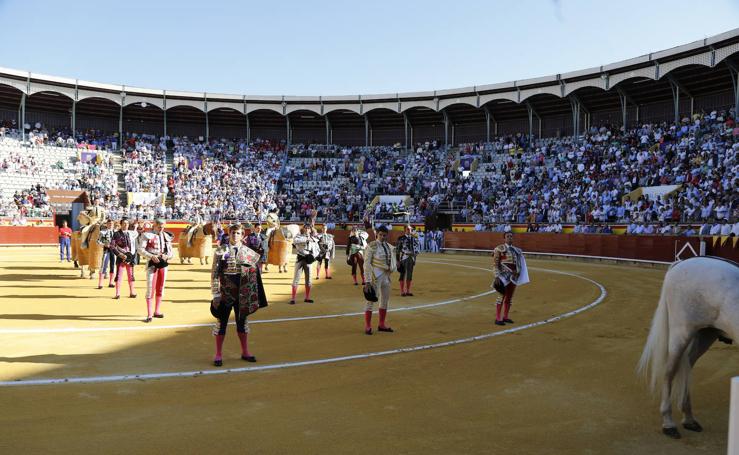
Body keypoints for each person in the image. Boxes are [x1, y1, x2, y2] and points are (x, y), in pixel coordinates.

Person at [210, 223, 268, 367]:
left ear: (242, 236)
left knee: (242, 323)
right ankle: (218, 354)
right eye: (233, 233)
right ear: (229, 234)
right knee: (221, 323)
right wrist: (216, 294)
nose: (235, 235)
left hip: (242, 293)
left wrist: (252, 293)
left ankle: (245, 351)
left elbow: (254, 275)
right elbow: (215, 274)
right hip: (225, 293)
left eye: (238, 233)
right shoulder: (220, 251)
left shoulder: (248, 252)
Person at [137, 218, 174, 322]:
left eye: (163, 226)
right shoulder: (146, 235)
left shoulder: (167, 236)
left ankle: (157, 311)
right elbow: (140, 249)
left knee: (161, 288)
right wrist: (151, 256)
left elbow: (171, 252)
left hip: (163, 264)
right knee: (150, 289)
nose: (161, 228)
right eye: (159, 226)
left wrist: (167, 256)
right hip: (152, 264)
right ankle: (149, 314)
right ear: (154, 225)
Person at [363, 225, 396, 335]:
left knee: (384, 301)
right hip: (375, 277)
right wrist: (367, 281)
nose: (382, 237)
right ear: (376, 234)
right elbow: (367, 264)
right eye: (380, 235)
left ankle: (381, 324)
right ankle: (368, 326)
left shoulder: (389, 246)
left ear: (387, 236)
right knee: (371, 300)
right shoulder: (371, 246)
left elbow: (391, 261)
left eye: (384, 235)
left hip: (386, 276)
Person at [492, 231, 529, 326]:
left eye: (511, 236)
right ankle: (498, 318)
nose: (509, 238)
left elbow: (520, 264)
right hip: (503, 276)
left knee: (509, 298)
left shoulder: (517, 250)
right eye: (507, 236)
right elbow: (495, 264)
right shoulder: (499, 249)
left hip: (513, 277)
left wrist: (518, 272)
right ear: (504, 238)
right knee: (501, 296)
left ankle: (505, 317)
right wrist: (496, 276)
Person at [290, 224, 321, 304]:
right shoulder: (299, 236)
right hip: (300, 259)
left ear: (310, 230)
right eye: (306, 228)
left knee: (309, 280)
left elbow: (317, 249)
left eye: (308, 228)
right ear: (303, 229)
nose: (307, 229)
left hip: (308, 260)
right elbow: (295, 241)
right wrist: (306, 239)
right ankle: (293, 299)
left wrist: (314, 256)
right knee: (296, 279)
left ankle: (307, 297)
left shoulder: (313, 239)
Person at [110, 217, 138, 300]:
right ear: (121, 225)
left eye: (127, 224)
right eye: (124, 224)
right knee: (119, 275)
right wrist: (119, 254)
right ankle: (117, 293)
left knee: (131, 275)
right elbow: (112, 246)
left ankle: (132, 292)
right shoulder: (116, 234)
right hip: (121, 257)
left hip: (130, 257)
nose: (126, 225)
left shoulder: (131, 233)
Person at [395, 225, 420, 296]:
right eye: (408, 229)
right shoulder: (401, 238)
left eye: (410, 229)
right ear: (405, 230)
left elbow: (417, 249)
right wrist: (397, 260)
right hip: (404, 258)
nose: (409, 231)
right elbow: (397, 250)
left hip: (411, 258)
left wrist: (415, 258)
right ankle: (402, 291)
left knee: (409, 275)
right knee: (402, 274)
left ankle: (408, 291)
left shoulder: (414, 238)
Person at [96, 219, 116, 289]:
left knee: (113, 266)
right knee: (103, 265)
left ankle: (111, 282)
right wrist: (104, 244)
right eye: (109, 224)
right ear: (107, 224)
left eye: (112, 224)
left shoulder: (116, 232)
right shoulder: (102, 232)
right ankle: (100, 283)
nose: (110, 225)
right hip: (106, 250)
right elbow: (98, 241)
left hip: (114, 251)